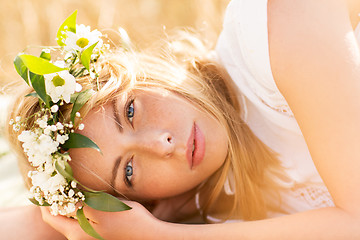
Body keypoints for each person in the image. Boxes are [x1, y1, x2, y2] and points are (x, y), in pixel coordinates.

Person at [4, 0, 360, 239]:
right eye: (128, 170)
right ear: (144, 202)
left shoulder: (278, 26)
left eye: (130, 111)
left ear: (141, 72)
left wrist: (158, 235)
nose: (161, 145)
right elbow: (30, 227)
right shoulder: (212, 210)